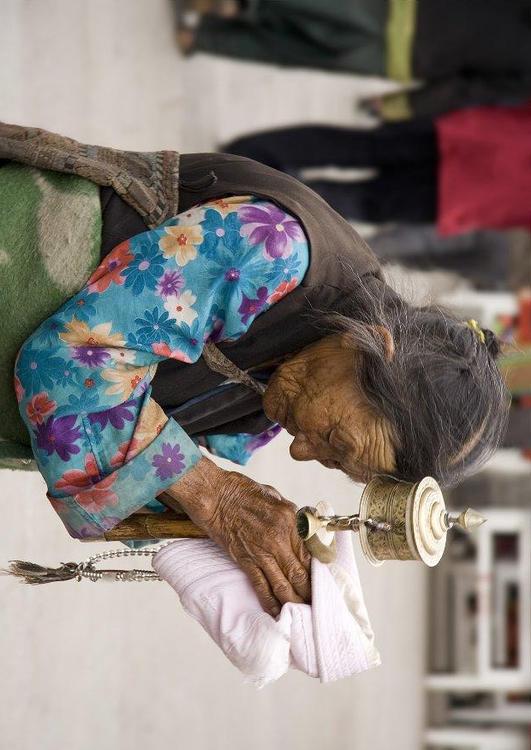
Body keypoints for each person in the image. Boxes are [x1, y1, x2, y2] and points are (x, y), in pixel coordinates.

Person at [1, 122, 508, 618]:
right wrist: (213, 495)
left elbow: (135, 471)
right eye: (335, 439)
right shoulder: (274, 250)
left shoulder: (286, 389)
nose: (299, 448)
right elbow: (74, 359)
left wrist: (246, 551)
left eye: (331, 460)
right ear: (375, 346)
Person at [175, 0, 531, 120]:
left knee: (313, 6)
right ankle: (202, 36)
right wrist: (397, 106)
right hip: (404, 58)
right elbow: (463, 90)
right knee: (296, 49)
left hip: (407, 8)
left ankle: (236, 6)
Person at [224, 102, 531, 233]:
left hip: (478, 136)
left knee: (359, 147)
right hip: (472, 196)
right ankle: (251, 190)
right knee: (357, 199)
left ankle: (248, 157)